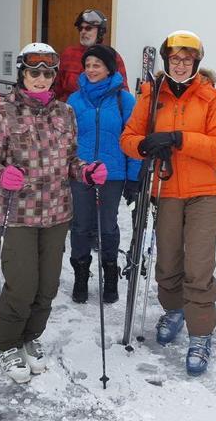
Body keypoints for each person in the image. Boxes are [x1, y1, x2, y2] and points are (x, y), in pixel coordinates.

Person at [0, 42, 107, 384]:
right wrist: (0, 175)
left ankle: (29, 336)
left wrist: (86, 171)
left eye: (47, 73)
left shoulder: (65, 113)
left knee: (47, 287)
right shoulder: (0, 113)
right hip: (17, 213)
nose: (40, 79)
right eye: (33, 72)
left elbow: (70, 162)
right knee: (22, 286)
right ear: (22, 74)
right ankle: (5, 343)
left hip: (57, 213)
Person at [120, 30, 216, 377]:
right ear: (167, 61)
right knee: (167, 263)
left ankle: (200, 332)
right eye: (174, 59)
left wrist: (178, 139)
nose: (180, 65)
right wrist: (144, 146)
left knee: (198, 267)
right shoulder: (151, 96)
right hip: (165, 189)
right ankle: (173, 309)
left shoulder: (210, 97)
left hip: (204, 192)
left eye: (187, 59)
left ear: (196, 62)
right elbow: (129, 137)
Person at [66, 44, 141, 304]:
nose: (91, 70)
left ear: (109, 68)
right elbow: (66, 140)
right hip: (81, 172)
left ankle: (110, 274)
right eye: (87, 65)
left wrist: (134, 176)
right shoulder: (74, 100)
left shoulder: (124, 100)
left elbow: (133, 141)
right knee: (80, 226)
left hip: (113, 174)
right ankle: (81, 276)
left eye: (97, 65)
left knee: (107, 226)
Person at [53, 9, 129, 101]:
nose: (83, 32)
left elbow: (123, 91)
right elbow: (57, 89)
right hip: (70, 110)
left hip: (100, 111)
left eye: (88, 28)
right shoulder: (68, 54)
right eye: (81, 28)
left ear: (100, 31)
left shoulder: (111, 56)